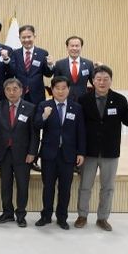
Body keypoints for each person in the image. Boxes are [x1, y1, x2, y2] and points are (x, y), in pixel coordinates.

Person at [75, 65, 128, 231]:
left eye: (105, 79)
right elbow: (78, 126)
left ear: (111, 81)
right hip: (88, 151)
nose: (102, 82)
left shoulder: (119, 99)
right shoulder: (83, 99)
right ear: (93, 81)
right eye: (99, 79)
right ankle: (82, 216)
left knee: (108, 187)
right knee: (85, 186)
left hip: (110, 151)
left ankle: (102, 218)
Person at [34, 76, 86, 230]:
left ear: (69, 89)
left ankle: (62, 218)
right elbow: (36, 125)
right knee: (48, 187)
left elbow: (81, 132)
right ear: (52, 90)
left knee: (65, 188)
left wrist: (81, 153)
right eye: (57, 88)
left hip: (68, 155)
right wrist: (44, 116)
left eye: (64, 88)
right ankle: (46, 216)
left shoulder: (76, 108)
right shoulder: (44, 105)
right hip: (49, 154)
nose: (61, 91)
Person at [0, 78, 37, 227]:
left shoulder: (30, 108)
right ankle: (7, 213)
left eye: (15, 89)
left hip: (23, 154)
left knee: (22, 185)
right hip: (4, 153)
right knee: (5, 185)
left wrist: (32, 152)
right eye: (8, 89)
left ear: (21, 90)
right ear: (4, 91)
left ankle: (21, 214)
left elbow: (34, 133)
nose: (11, 92)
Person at [7, 25, 54, 107]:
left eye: (29, 37)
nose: (26, 40)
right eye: (23, 37)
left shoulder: (42, 53)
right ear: (19, 38)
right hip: (19, 94)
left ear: (34, 36)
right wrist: (7, 61)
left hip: (37, 95)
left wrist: (50, 65)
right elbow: (11, 73)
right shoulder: (15, 54)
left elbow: (48, 74)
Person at [53, 36, 96, 101]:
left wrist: (99, 70)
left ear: (81, 47)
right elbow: (55, 84)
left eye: (77, 46)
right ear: (67, 47)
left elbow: (94, 82)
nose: (74, 48)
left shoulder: (88, 64)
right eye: (72, 46)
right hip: (65, 99)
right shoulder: (59, 64)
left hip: (83, 99)